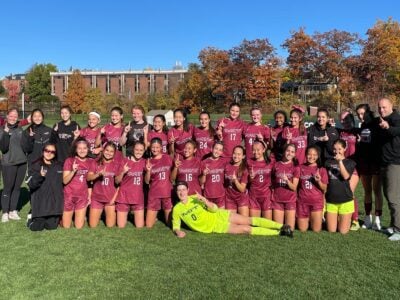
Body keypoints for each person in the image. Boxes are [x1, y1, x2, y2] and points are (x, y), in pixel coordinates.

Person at [172, 181, 293, 238]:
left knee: (248, 220)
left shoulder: (195, 198)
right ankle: (279, 233)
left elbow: (214, 209)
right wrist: (178, 232)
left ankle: (281, 226)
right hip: (215, 226)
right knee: (246, 229)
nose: (181, 192)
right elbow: (176, 226)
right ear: (176, 193)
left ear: (187, 190)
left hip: (220, 215)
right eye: (179, 190)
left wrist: (204, 200)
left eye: (183, 189)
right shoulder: (177, 209)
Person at [355, 104, 383, 230]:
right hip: (364, 162)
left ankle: (377, 219)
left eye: (362, 113)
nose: (360, 116)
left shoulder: (377, 122)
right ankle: (367, 218)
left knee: (377, 191)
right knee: (367, 191)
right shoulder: (362, 126)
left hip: (376, 162)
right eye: (358, 114)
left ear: (368, 112)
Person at [377, 98, 400, 241]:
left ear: (391, 106)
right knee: (388, 195)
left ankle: (398, 229)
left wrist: (387, 127)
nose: (381, 110)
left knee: (393, 196)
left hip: (395, 163)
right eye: (379, 107)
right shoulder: (380, 119)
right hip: (384, 163)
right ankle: (393, 225)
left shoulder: (396, 119)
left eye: (384, 107)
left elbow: (396, 130)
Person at [26, 143, 63, 231]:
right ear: (43, 151)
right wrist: (40, 176)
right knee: (36, 228)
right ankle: (31, 216)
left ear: (55, 154)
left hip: (53, 204)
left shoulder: (59, 166)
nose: (49, 153)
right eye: (47, 151)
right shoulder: (35, 165)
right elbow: (30, 183)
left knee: (52, 227)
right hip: (40, 203)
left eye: (52, 152)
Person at [0, 108, 28, 222]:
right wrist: (6, 133)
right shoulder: (2, 130)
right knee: (7, 188)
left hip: (21, 163)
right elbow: (3, 148)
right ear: (7, 116)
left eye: (15, 116)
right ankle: (5, 212)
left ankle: (13, 210)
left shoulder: (20, 128)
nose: (13, 118)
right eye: (11, 116)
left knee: (17, 188)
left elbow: (25, 144)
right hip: (8, 164)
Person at [325, 139, 356, 234]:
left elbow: (346, 176)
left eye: (339, 149)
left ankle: (346, 220)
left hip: (346, 200)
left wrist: (340, 162)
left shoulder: (350, 162)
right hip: (331, 201)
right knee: (331, 231)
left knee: (343, 232)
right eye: (335, 149)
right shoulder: (328, 162)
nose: (337, 151)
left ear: (345, 149)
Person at [87, 142, 120, 228]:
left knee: (110, 226)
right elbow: (88, 178)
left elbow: (119, 185)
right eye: (107, 150)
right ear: (103, 150)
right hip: (96, 198)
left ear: (114, 153)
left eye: (111, 151)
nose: (108, 153)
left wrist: (114, 199)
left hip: (110, 198)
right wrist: (98, 174)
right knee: (92, 226)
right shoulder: (95, 162)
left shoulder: (117, 165)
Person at [338, 110, 361, 231]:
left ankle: (355, 220)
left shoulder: (357, 132)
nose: (344, 121)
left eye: (346, 119)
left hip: (354, 166)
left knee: (349, 192)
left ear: (352, 119)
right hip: (343, 166)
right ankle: (344, 216)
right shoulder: (340, 133)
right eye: (342, 119)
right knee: (344, 192)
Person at [115, 141, 147, 228]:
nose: (139, 152)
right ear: (133, 150)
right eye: (136, 149)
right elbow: (117, 181)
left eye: (141, 150)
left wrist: (148, 171)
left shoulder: (145, 162)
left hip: (138, 197)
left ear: (144, 151)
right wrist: (123, 172)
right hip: (123, 197)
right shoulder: (124, 161)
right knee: (121, 226)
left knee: (139, 226)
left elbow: (147, 181)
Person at [62, 138, 92, 229]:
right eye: (79, 148)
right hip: (69, 195)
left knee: (79, 227)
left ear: (88, 149)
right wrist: (73, 171)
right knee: (66, 226)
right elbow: (65, 181)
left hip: (82, 196)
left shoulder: (91, 162)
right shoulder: (69, 161)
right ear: (75, 149)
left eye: (84, 148)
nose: (82, 151)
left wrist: (89, 197)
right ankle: (61, 218)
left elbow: (90, 182)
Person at [297, 145, 328, 232]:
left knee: (316, 230)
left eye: (314, 155)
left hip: (316, 203)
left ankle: (320, 218)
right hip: (302, 202)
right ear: (305, 155)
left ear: (318, 156)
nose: (311, 157)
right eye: (309, 154)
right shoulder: (300, 167)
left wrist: (318, 181)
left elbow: (324, 189)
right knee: (302, 229)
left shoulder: (321, 169)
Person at [145, 137, 173, 228]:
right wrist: (148, 171)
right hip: (154, 194)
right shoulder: (148, 161)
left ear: (161, 148)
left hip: (166, 193)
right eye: (153, 147)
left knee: (170, 224)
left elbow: (173, 176)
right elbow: (146, 181)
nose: (155, 149)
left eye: (157, 147)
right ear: (150, 147)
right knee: (148, 225)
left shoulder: (168, 158)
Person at [272, 143, 300, 230]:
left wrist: (287, 180)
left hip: (290, 200)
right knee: (278, 229)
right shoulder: (276, 165)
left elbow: (294, 187)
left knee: (289, 229)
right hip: (277, 200)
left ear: (295, 154)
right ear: (284, 151)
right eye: (288, 151)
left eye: (292, 152)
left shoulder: (295, 167)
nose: (289, 153)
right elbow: (272, 180)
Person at [247, 140, 274, 220]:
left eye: (258, 150)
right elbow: (247, 181)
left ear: (263, 150)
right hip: (254, 195)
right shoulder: (249, 162)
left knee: (268, 224)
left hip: (266, 196)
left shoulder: (270, 162)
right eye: (254, 150)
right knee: (255, 224)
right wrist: (251, 178)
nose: (255, 152)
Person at [199, 141, 227, 208]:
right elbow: (201, 182)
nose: (217, 151)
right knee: (209, 217)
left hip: (220, 195)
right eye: (216, 148)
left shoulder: (224, 161)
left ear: (222, 152)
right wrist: (204, 174)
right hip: (208, 195)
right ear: (212, 149)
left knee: (220, 217)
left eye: (220, 150)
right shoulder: (204, 162)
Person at [224, 146, 249, 216]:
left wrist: (235, 180)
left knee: (244, 222)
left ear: (243, 156)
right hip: (230, 199)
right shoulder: (227, 166)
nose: (236, 156)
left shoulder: (244, 169)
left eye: (239, 154)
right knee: (232, 223)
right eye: (234, 153)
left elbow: (242, 189)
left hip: (242, 198)